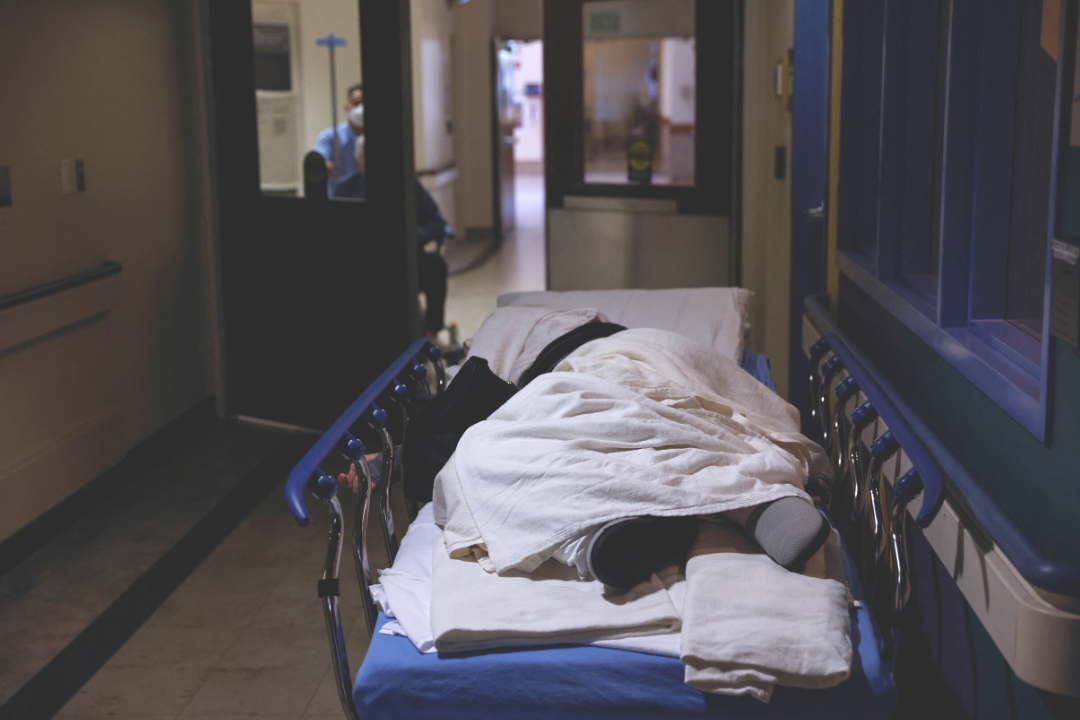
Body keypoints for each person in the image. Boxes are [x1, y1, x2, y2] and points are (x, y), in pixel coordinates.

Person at [334, 159, 453, 341]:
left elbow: (436, 223)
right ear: (359, 163)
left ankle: (430, 334)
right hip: (361, 264)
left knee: (436, 266)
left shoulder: (407, 185)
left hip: (405, 260)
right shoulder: (346, 189)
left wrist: (412, 234)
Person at [312, 83, 364, 195]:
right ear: (346, 106)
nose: (361, 109)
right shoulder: (330, 137)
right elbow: (319, 158)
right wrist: (320, 167)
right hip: (338, 204)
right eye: (356, 103)